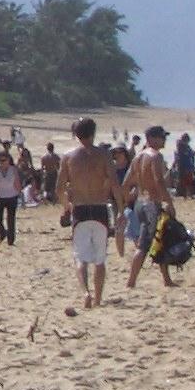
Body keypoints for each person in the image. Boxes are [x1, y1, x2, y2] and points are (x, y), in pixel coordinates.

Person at [58, 117, 123, 306]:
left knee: (81, 258)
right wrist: (120, 209)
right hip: (100, 207)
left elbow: (59, 188)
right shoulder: (103, 155)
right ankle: (98, 299)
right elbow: (114, 183)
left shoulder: (68, 157)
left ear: (76, 134)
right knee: (100, 259)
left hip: (80, 209)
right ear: (93, 133)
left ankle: (86, 293)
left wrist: (66, 206)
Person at [123, 126, 176, 291]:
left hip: (140, 202)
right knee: (145, 244)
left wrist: (126, 202)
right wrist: (169, 202)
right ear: (151, 138)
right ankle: (131, 281)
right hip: (152, 203)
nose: (164, 140)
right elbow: (158, 180)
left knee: (159, 239)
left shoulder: (138, 157)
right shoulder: (155, 156)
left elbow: (126, 183)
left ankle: (166, 279)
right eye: (161, 137)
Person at [0, 147, 22, 247]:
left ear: (8, 160)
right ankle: (3, 233)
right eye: (0, 160)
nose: (2, 162)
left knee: (11, 219)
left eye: (4, 160)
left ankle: (11, 240)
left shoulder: (13, 170)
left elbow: (17, 184)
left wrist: (21, 196)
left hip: (12, 196)